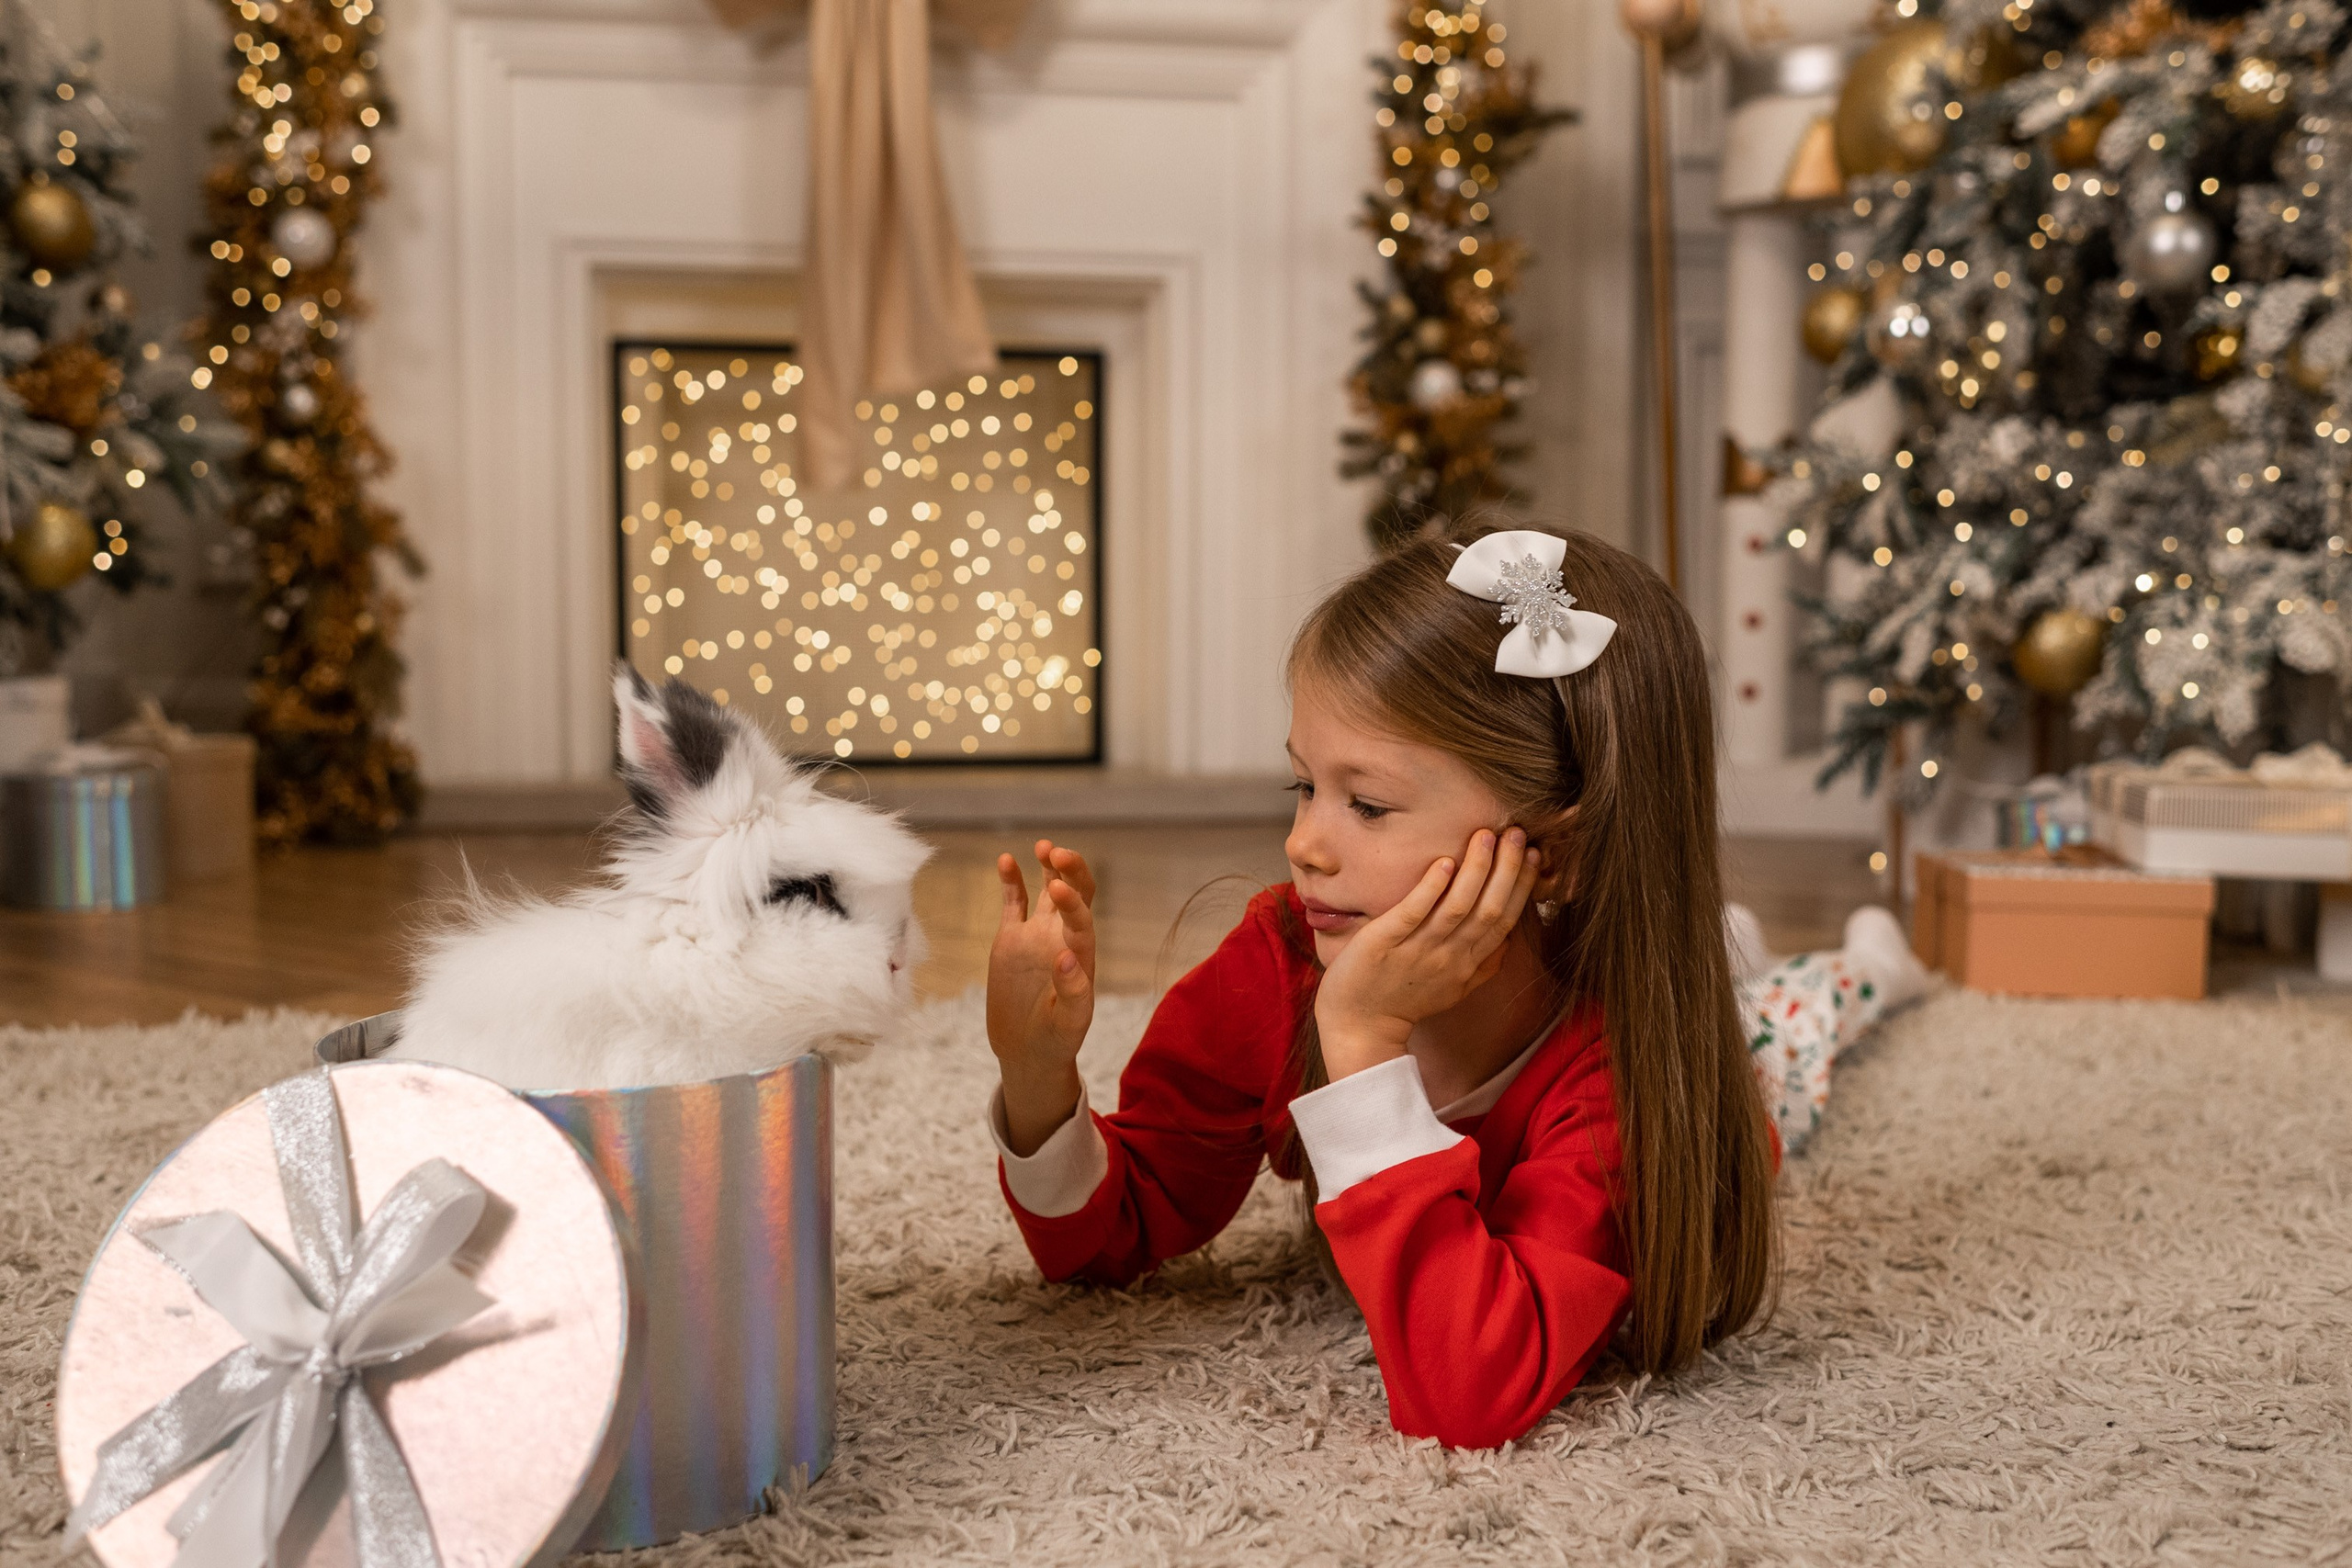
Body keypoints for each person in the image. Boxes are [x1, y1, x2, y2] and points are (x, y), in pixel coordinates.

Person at [981, 522, 1928, 1449]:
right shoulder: (1281, 957)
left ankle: (1872, 966)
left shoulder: (1625, 1080)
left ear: (1551, 856)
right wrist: (1037, 1078)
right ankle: (1747, 949)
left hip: (1731, 1058)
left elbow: (1470, 1390)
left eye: (1368, 804)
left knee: (1788, 1029)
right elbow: (1114, 1239)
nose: (1303, 844)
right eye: (1301, 786)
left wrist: (1358, 1044)